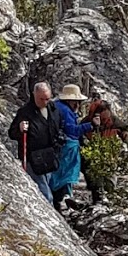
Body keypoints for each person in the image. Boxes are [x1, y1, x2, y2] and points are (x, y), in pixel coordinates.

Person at [8, 81, 63, 204]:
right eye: (41, 99)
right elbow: (12, 133)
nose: (44, 102)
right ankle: (51, 217)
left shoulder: (53, 109)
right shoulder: (25, 112)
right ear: (34, 95)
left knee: (48, 186)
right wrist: (20, 129)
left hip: (50, 156)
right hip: (33, 158)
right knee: (45, 193)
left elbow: (60, 127)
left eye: (47, 99)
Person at [48, 83, 94, 212]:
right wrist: (90, 126)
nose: (78, 105)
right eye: (76, 102)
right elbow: (72, 131)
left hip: (57, 145)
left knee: (59, 173)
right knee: (65, 173)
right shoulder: (65, 111)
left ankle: (63, 197)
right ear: (70, 100)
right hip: (66, 146)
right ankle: (63, 197)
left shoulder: (57, 107)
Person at [82, 94, 128, 205]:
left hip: (109, 155)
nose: (107, 118)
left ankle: (109, 199)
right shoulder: (87, 123)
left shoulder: (112, 120)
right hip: (93, 157)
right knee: (95, 181)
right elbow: (81, 138)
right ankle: (97, 202)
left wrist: (125, 135)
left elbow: (123, 128)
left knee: (110, 181)